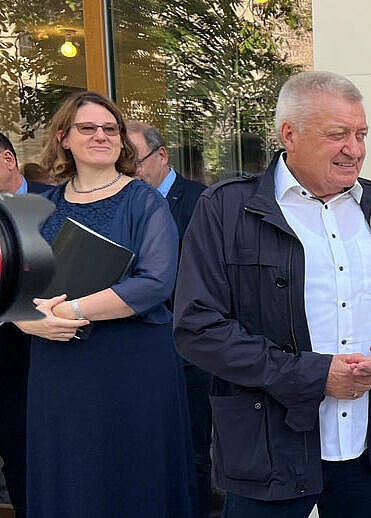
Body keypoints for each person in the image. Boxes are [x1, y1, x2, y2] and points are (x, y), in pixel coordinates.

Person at [173, 71, 371, 517]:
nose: (355, 149)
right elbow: (199, 329)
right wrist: (314, 376)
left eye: (361, 134)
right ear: (289, 133)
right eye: (338, 134)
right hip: (267, 449)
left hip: (366, 444)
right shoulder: (227, 209)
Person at [12, 91, 195, 517]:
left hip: (130, 365)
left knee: (133, 478)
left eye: (110, 129)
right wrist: (27, 321)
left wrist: (70, 312)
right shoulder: (43, 206)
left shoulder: (144, 200)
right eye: (87, 128)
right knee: (70, 475)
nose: (101, 135)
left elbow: (155, 282)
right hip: (58, 369)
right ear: (63, 138)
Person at [124, 120, 214, 517]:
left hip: (191, 351)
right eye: (123, 164)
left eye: (136, 161)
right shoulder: (125, 202)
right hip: (138, 347)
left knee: (193, 450)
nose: (131, 171)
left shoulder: (202, 201)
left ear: (161, 155)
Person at [0, 132, 51, 518]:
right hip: (4, 355)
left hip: (47, 355)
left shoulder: (56, 202)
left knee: (34, 461)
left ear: (8, 160)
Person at [127, 122, 207, 239]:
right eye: (122, 167)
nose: (129, 173)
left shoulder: (200, 201)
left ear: (162, 156)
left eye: (136, 164)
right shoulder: (121, 203)